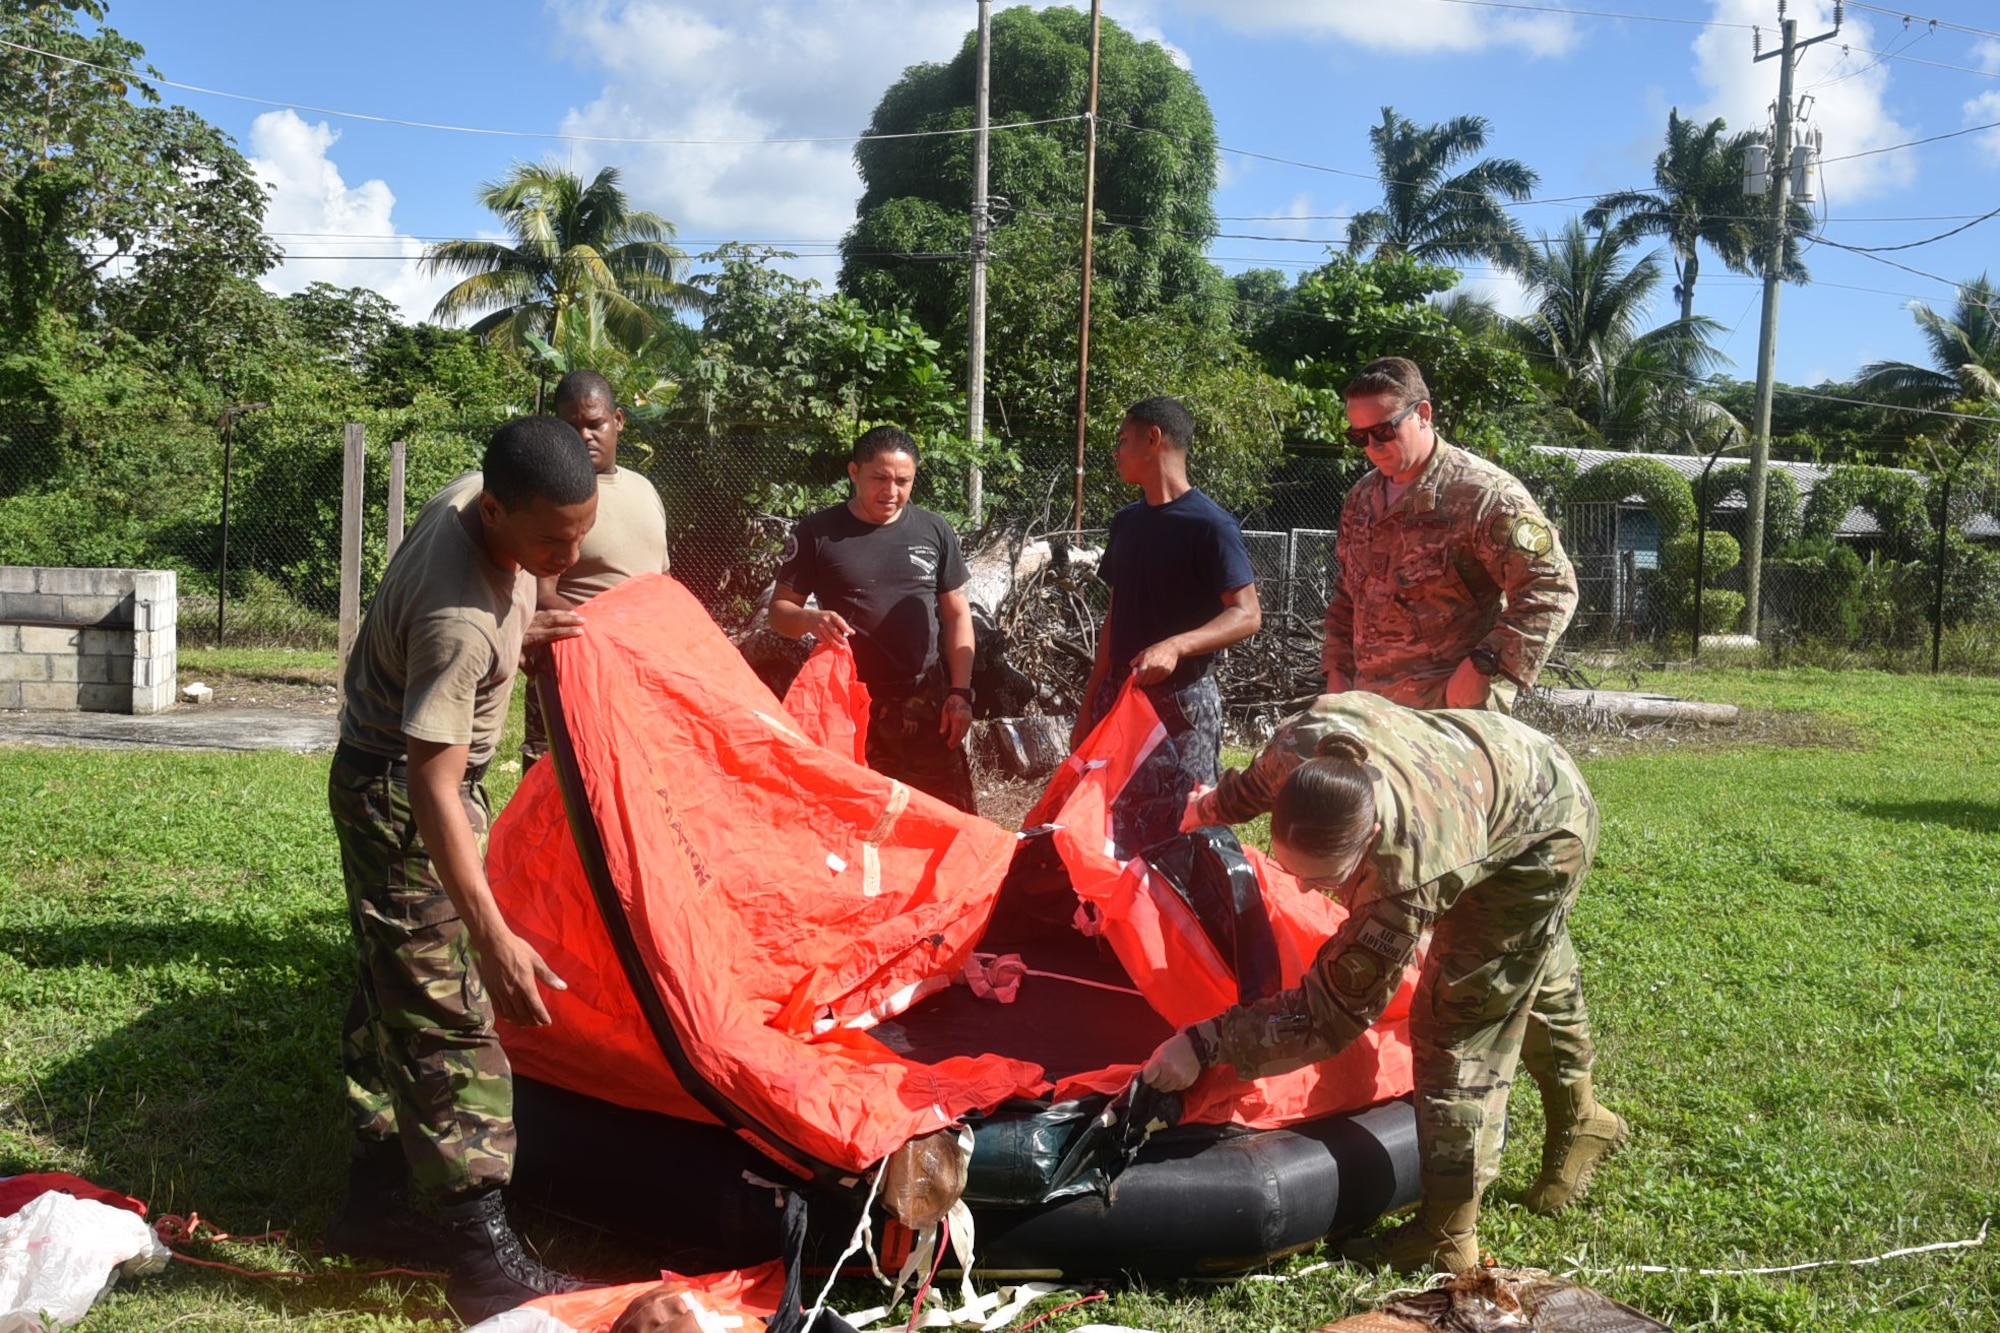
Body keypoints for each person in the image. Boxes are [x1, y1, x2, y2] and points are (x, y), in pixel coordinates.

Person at [1147, 692, 1628, 1274]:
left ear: (1371, 834)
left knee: (1459, 1024)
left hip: (1541, 834)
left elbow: (1328, 1017)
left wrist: (1204, 1043)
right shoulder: (1303, 741)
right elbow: (1259, 781)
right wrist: (1213, 807)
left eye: (1324, 879)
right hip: (1497, 769)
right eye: (1292, 871)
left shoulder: (1407, 875)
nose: (1301, 891)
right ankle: (1583, 1118)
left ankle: (1449, 1234)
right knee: (1532, 963)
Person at [326, 416, 599, 1323]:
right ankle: (481, 1258)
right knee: (450, 1010)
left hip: (395, 776)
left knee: (391, 986)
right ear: (494, 510)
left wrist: (528, 619)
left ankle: (370, 1202)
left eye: (580, 530)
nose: (568, 552)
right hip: (405, 800)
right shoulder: (457, 621)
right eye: (552, 540)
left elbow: (509, 589)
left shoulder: (474, 505)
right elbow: (433, 787)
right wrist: (494, 938)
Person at [1322, 357, 1576, 711]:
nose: (1372, 447)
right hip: (1370, 709)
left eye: (1383, 431)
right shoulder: (1362, 499)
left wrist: (1485, 665)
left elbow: (1551, 585)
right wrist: (1337, 670)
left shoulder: (1483, 493)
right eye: (1358, 436)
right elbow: (1348, 593)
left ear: (1423, 414)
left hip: (1452, 711)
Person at [1073, 396, 1260, 855]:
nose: (1115, 451)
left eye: (1123, 440)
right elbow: (1114, 618)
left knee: (1186, 826)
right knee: (1110, 816)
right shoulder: (1126, 523)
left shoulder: (1210, 525)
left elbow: (1248, 614)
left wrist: (1176, 645)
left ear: (1153, 439)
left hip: (1183, 703)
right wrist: (1092, 698)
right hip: (1121, 695)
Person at [770, 425, 978, 813]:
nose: (891, 492)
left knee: (945, 821)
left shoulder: (934, 529)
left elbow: (956, 614)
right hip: (853, 706)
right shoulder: (818, 533)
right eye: (879, 478)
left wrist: (960, 694)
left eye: (903, 481)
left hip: (928, 705)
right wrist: (810, 619)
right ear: (854, 472)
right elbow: (779, 612)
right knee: (859, 820)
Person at [521, 369, 672, 764]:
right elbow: (542, 593)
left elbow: (663, 578)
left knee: (641, 779)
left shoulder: (644, 489)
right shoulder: (552, 499)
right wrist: (605, 630)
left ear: (617, 420)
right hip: (575, 671)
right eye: (572, 427)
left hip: (645, 671)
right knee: (561, 791)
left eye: (595, 424)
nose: (584, 436)